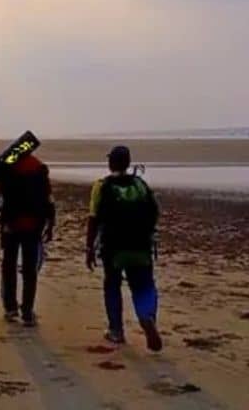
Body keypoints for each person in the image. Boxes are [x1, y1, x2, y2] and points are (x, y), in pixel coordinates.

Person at [86, 145, 162, 351]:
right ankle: (147, 317)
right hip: (141, 246)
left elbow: (93, 219)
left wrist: (89, 248)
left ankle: (116, 331)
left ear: (110, 163)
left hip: (113, 248)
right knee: (144, 286)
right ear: (128, 163)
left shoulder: (101, 186)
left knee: (112, 286)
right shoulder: (140, 184)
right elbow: (154, 213)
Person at [0, 153, 55, 326]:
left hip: (10, 226)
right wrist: (51, 224)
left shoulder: (7, 166)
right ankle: (27, 312)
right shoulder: (39, 167)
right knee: (30, 270)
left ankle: (10, 308)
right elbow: (49, 199)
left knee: (9, 266)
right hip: (34, 226)